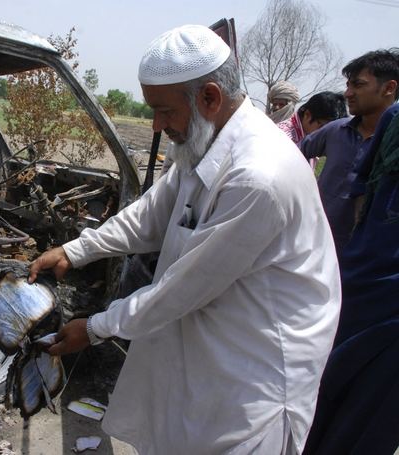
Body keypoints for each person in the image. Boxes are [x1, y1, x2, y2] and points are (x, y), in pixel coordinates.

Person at [29, 25, 340, 455]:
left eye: (163, 111)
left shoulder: (259, 176)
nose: (157, 125)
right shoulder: (207, 145)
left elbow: (183, 289)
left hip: (252, 373)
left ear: (210, 98)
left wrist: (97, 328)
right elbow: (152, 215)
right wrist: (76, 249)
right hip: (207, 347)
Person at [303, 103, 399, 455]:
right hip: (364, 281)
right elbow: (363, 193)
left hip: (369, 282)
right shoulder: (394, 118)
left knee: (371, 418)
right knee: (324, 390)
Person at [300, 49, 399, 253]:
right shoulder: (336, 130)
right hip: (316, 246)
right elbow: (290, 157)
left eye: (358, 85)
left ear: (389, 88)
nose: (347, 94)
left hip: (372, 257)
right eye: (348, 85)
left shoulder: (393, 145)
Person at [277, 91, 347, 145]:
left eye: (330, 130)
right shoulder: (284, 137)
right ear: (307, 115)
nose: (324, 133)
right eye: (322, 126)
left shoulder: (307, 138)